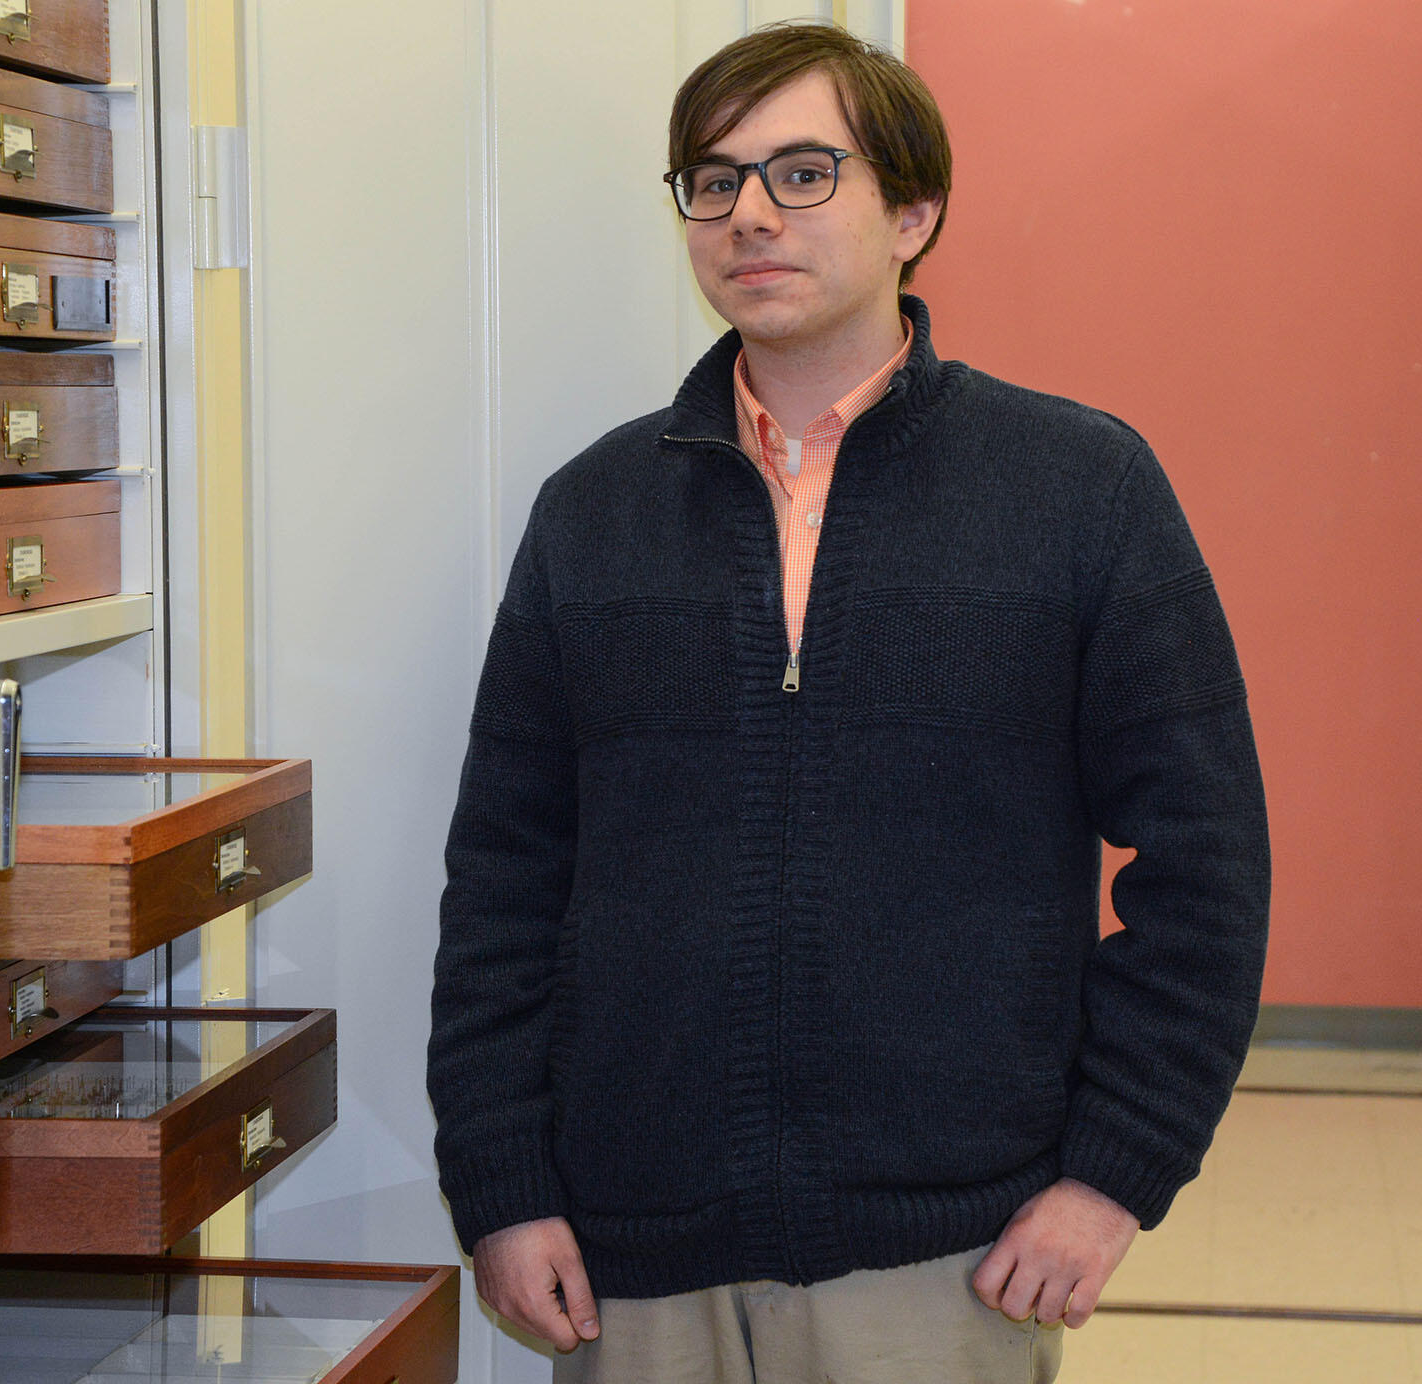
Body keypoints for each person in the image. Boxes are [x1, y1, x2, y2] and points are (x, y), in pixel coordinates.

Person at [426, 20, 1270, 1383]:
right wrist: (503, 1181)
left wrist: (1113, 1175)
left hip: (950, 1257)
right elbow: (507, 881)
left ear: (914, 210)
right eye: (714, 179)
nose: (750, 212)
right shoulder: (594, 512)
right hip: (635, 1258)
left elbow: (1207, 869)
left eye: (805, 172)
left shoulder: (1078, 489)